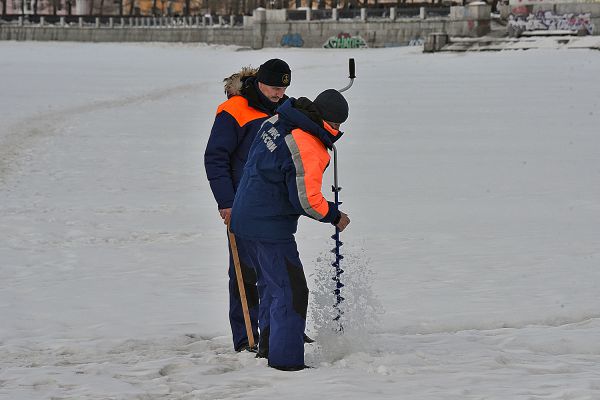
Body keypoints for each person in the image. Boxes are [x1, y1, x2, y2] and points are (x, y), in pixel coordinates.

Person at [230, 89, 351, 371]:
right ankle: (286, 363)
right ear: (325, 120)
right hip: (268, 226)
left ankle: (270, 348)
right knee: (291, 291)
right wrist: (335, 215)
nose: (337, 130)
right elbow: (307, 200)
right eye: (336, 125)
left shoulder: (278, 120)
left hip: (245, 216)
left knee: (273, 286)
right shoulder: (308, 144)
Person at [204, 59, 291, 353]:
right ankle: (245, 339)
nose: (280, 93)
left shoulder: (284, 109)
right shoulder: (233, 110)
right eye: (275, 88)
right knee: (245, 272)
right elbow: (216, 158)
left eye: (284, 88)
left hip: (274, 205)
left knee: (276, 272)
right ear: (260, 83)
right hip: (241, 204)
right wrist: (226, 202)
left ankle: (273, 332)